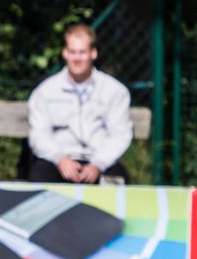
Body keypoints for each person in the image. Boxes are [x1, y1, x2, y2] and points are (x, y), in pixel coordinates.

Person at [25, 24, 132, 184]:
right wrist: (60, 159)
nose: (77, 58)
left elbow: (120, 135)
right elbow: (39, 135)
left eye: (82, 52)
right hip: (58, 162)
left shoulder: (115, 91)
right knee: (39, 176)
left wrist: (98, 164)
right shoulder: (45, 91)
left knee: (117, 182)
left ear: (93, 53)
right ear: (65, 53)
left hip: (100, 162)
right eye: (72, 52)